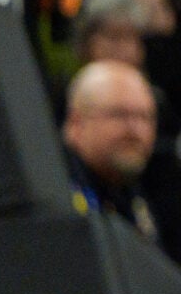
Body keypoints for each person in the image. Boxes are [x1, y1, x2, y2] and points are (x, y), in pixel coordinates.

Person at [60, 58, 161, 240]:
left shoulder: (133, 194)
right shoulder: (55, 193)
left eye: (144, 117)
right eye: (119, 115)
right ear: (76, 124)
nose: (134, 131)